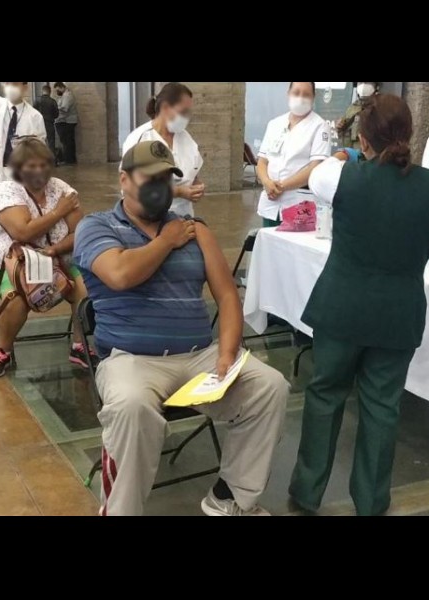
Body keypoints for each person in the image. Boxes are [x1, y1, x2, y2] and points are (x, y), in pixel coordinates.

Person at [74, 141, 289, 516]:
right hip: (131, 361)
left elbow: (227, 295)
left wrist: (227, 353)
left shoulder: (195, 230)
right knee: (131, 407)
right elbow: (120, 274)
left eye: (165, 179)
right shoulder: (96, 226)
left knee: (270, 387)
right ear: (124, 180)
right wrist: (165, 241)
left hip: (199, 357)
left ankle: (230, 497)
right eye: (149, 178)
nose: (159, 187)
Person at [288, 95, 429, 516]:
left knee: (325, 395)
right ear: (410, 134)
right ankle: (371, 501)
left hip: (341, 309)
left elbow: (319, 172)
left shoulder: (340, 176)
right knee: (382, 407)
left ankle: (306, 492)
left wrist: (348, 154)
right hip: (398, 314)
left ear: (363, 140)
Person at [0, 138, 90, 378]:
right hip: (16, 264)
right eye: (31, 166)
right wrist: (59, 212)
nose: (39, 171)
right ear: (18, 168)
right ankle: (3, 349)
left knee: (87, 289)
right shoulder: (7, 190)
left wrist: (55, 249)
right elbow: (22, 232)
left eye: (44, 165)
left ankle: (79, 345)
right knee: (16, 301)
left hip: (60, 260)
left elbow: (80, 231)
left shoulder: (61, 188)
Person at [121, 82, 205, 218]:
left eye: (188, 113)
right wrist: (178, 192)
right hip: (149, 219)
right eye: (182, 112)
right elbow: (133, 187)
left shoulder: (186, 139)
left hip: (184, 217)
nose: (186, 118)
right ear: (165, 107)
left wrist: (197, 187)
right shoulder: (140, 138)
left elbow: (193, 174)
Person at [256, 82, 331, 227]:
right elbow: (262, 161)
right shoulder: (275, 124)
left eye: (306, 94)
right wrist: (266, 182)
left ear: (313, 97)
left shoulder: (320, 126)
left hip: (299, 204)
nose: (300, 98)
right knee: (268, 239)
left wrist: (281, 186)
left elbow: (315, 167)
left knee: (294, 241)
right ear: (288, 93)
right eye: (296, 92)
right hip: (270, 203)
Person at [337, 82, 381, 150]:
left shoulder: (382, 107)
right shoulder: (353, 108)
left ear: (376, 86)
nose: (363, 86)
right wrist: (340, 127)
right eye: (360, 83)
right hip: (355, 152)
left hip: (374, 152)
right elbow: (344, 134)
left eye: (368, 83)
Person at [53, 82, 78, 165]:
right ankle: (70, 159)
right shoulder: (64, 95)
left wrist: (56, 109)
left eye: (58, 90)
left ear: (62, 87)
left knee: (67, 142)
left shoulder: (67, 96)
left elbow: (64, 109)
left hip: (67, 121)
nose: (57, 92)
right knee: (68, 141)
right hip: (66, 121)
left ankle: (69, 160)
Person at [34, 84, 59, 156]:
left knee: (40, 142)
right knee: (51, 143)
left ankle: (40, 159)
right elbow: (56, 114)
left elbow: (33, 113)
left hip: (39, 124)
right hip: (49, 124)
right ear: (50, 92)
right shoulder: (53, 101)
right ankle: (52, 160)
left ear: (42, 91)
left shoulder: (37, 101)